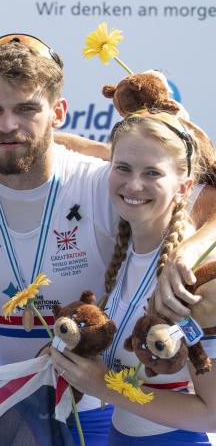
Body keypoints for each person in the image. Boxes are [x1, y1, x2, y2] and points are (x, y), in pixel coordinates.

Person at [0, 35, 216, 445]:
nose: (9, 124)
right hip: (24, 419)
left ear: (58, 113)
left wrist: (192, 250)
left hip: (102, 418)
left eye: (27, 109)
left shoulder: (180, 269)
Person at [51, 110, 216, 445]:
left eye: (152, 172)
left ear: (183, 187)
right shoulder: (126, 247)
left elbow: (211, 412)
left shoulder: (194, 273)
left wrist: (104, 386)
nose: (134, 184)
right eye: (123, 168)